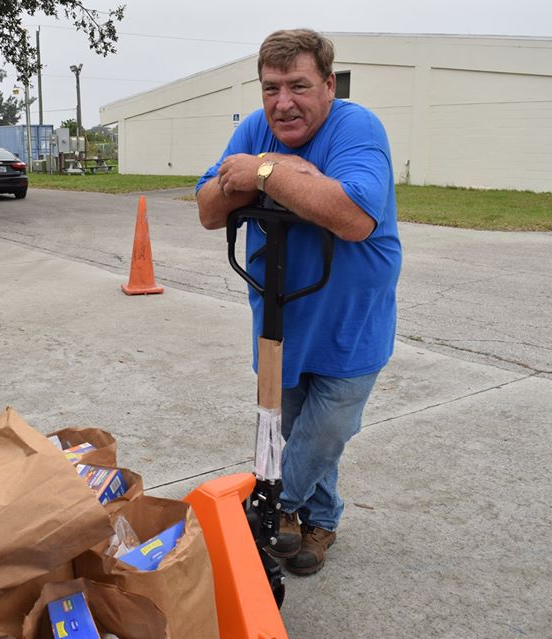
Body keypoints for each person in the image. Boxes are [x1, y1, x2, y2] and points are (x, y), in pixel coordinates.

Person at [196, 29, 402, 576]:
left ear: (329, 85)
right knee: (291, 429)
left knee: (324, 430)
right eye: (271, 88)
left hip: (350, 323)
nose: (282, 102)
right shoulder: (256, 128)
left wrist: (264, 173)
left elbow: (355, 216)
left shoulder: (356, 127)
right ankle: (321, 518)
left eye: (298, 86)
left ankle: (269, 511)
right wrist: (282, 167)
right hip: (279, 317)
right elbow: (209, 208)